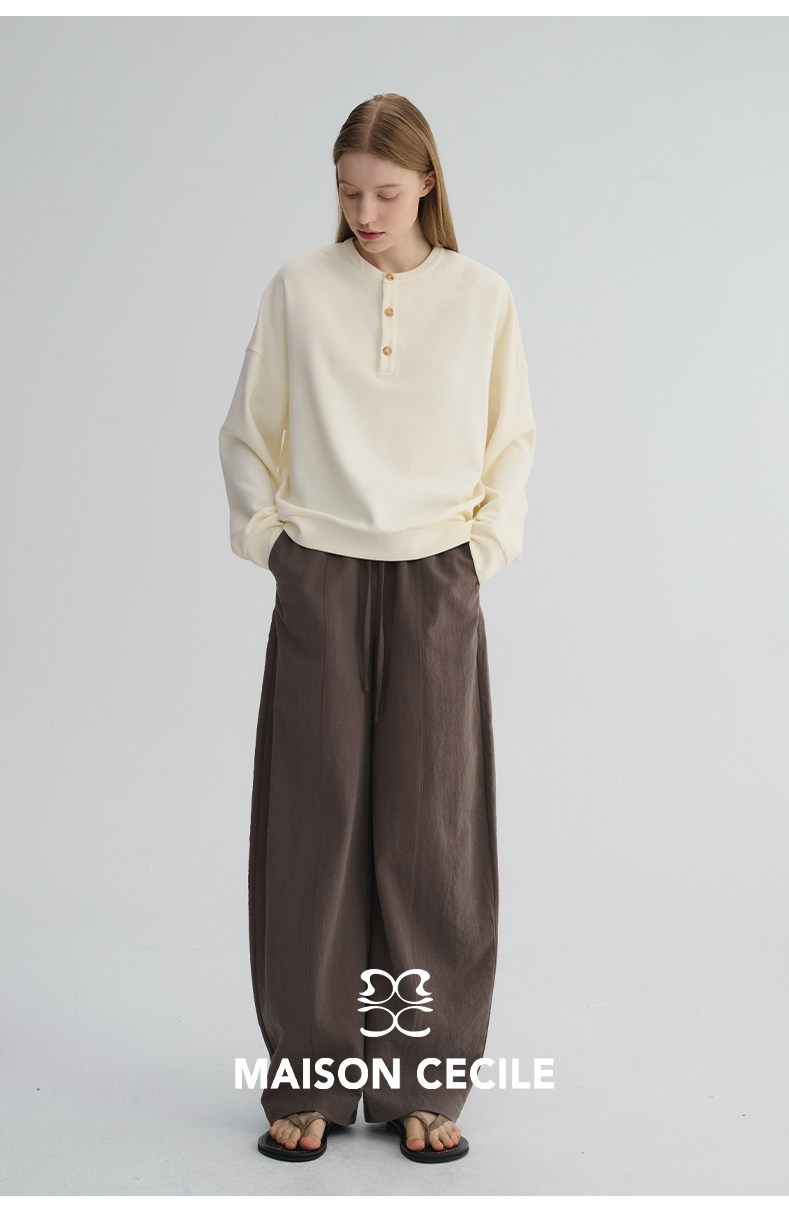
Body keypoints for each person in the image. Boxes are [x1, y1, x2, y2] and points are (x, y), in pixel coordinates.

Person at [218, 93, 536, 1164]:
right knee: (312, 827)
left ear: (427, 184)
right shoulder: (299, 290)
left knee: (430, 834)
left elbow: (511, 444)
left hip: (437, 577)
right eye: (349, 191)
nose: (365, 212)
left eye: (386, 193)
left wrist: (476, 557)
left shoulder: (482, 297)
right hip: (321, 572)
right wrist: (276, 548)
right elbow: (247, 432)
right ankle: (309, 1075)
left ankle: (422, 1081)